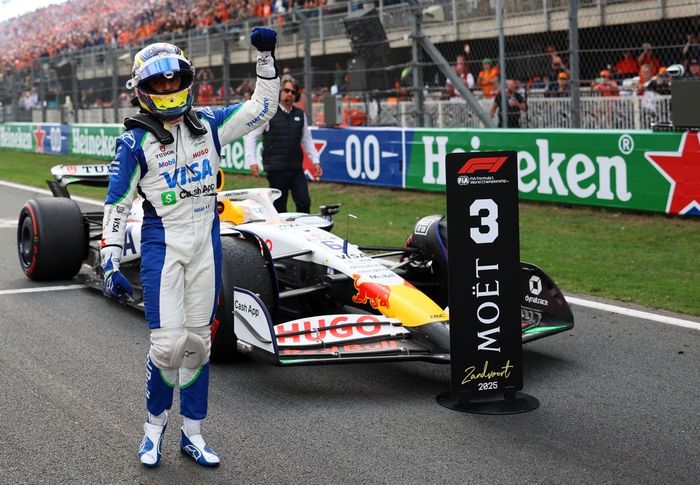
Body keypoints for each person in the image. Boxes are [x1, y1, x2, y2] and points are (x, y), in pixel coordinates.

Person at [100, 27, 280, 468]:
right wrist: (109, 259)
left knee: (198, 344)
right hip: (163, 247)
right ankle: (152, 432)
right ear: (142, 89)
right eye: (158, 83)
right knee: (167, 347)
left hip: (206, 246)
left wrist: (265, 59)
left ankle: (193, 434)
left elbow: (262, 108)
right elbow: (117, 204)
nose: (168, 88)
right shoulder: (133, 142)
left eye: (174, 79)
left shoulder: (209, 123)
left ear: (186, 80)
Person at [244, 76, 322, 214]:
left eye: (293, 92)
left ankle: (302, 227)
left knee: (304, 202)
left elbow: (307, 139)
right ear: (279, 92)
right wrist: (252, 161)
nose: (290, 94)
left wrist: (315, 161)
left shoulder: (300, 115)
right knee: (280, 208)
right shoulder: (268, 114)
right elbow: (252, 136)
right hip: (276, 170)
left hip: (296, 169)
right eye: (286, 90)